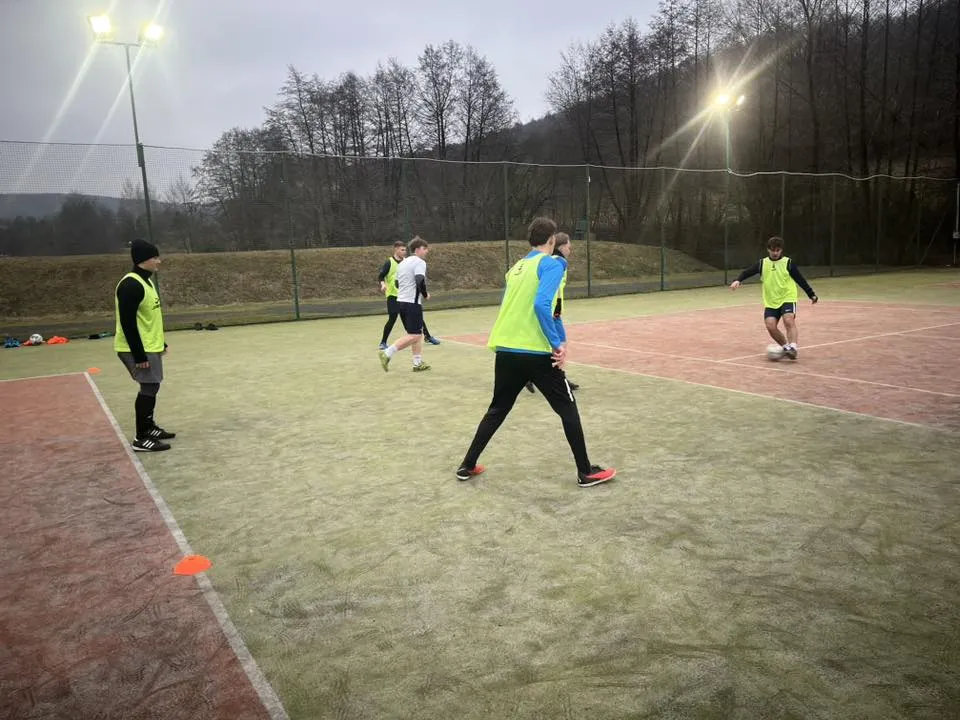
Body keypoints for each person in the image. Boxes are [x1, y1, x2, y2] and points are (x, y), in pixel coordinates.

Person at [456, 217, 616, 488]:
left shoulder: (516, 268)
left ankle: (467, 465)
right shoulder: (551, 264)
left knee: (497, 409)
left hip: (506, 349)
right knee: (567, 408)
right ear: (552, 240)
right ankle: (585, 471)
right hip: (536, 352)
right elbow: (542, 305)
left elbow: (520, 307)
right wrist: (556, 343)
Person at [114, 239, 175, 452]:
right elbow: (128, 323)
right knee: (149, 387)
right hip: (136, 348)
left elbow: (148, 319)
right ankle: (141, 438)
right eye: (154, 257)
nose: (159, 261)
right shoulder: (130, 285)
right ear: (143, 260)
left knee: (153, 385)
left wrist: (160, 342)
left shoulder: (146, 281)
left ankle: (149, 427)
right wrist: (139, 355)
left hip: (150, 345)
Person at [729, 235, 818, 359]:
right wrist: (738, 280)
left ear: (781, 250)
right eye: (772, 250)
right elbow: (747, 272)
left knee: (788, 320)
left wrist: (811, 294)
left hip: (787, 297)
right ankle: (786, 348)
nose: (775, 253)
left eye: (777, 250)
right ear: (768, 249)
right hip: (771, 301)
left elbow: (800, 279)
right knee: (770, 325)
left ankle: (793, 347)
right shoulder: (762, 263)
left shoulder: (788, 263)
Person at [527, 232, 579, 394]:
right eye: (569, 247)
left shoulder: (553, 261)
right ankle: (556, 379)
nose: (570, 250)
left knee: (558, 345)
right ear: (561, 247)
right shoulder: (557, 262)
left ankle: (551, 377)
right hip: (550, 311)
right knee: (557, 346)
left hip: (555, 311)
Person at [379, 236, 432, 372]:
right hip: (411, 303)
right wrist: (425, 294)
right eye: (425, 248)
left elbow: (397, 283)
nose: (426, 251)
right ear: (418, 249)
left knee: (417, 333)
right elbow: (419, 280)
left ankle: (417, 363)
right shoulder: (419, 262)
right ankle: (387, 353)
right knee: (415, 335)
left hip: (401, 302)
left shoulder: (403, 263)